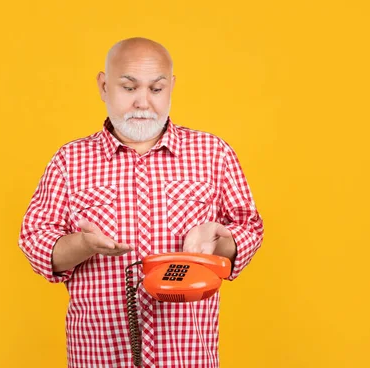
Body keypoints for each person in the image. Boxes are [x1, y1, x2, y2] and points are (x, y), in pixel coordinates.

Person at [18, 37, 264, 368]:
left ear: (171, 88)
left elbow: (250, 227)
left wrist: (219, 243)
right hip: (99, 356)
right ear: (104, 86)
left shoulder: (214, 154)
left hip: (187, 356)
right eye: (129, 88)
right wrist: (83, 244)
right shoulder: (69, 160)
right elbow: (35, 241)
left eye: (156, 89)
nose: (143, 102)